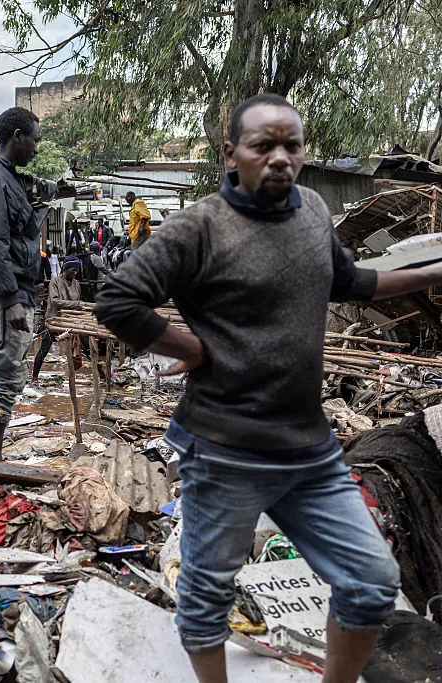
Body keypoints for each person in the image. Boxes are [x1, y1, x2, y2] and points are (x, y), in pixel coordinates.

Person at [91, 93, 442, 683]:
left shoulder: (309, 214)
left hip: (309, 449)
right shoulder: (198, 227)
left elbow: (351, 281)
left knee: (371, 583)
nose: (279, 157)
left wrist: (432, 271)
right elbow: (117, 300)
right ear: (231, 154)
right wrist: (194, 348)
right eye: (263, 145)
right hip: (224, 448)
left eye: (291, 146)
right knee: (206, 602)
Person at [0, 106, 57, 461]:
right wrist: (11, 300)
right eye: (35, 140)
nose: (37, 148)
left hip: (14, 291)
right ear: (17, 137)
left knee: (11, 373)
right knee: (5, 375)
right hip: (5, 293)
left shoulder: (11, 179)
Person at [31, 256, 83, 384]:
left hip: (71, 321)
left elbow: (79, 301)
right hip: (55, 320)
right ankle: (34, 377)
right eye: (72, 270)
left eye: (76, 270)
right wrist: (75, 304)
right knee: (44, 348)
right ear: (65, 269)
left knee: (86, 346)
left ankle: (102, 373)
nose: (74, 273)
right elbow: (54, 301)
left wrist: (79, 308)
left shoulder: (76, 284)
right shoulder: (55, 282)